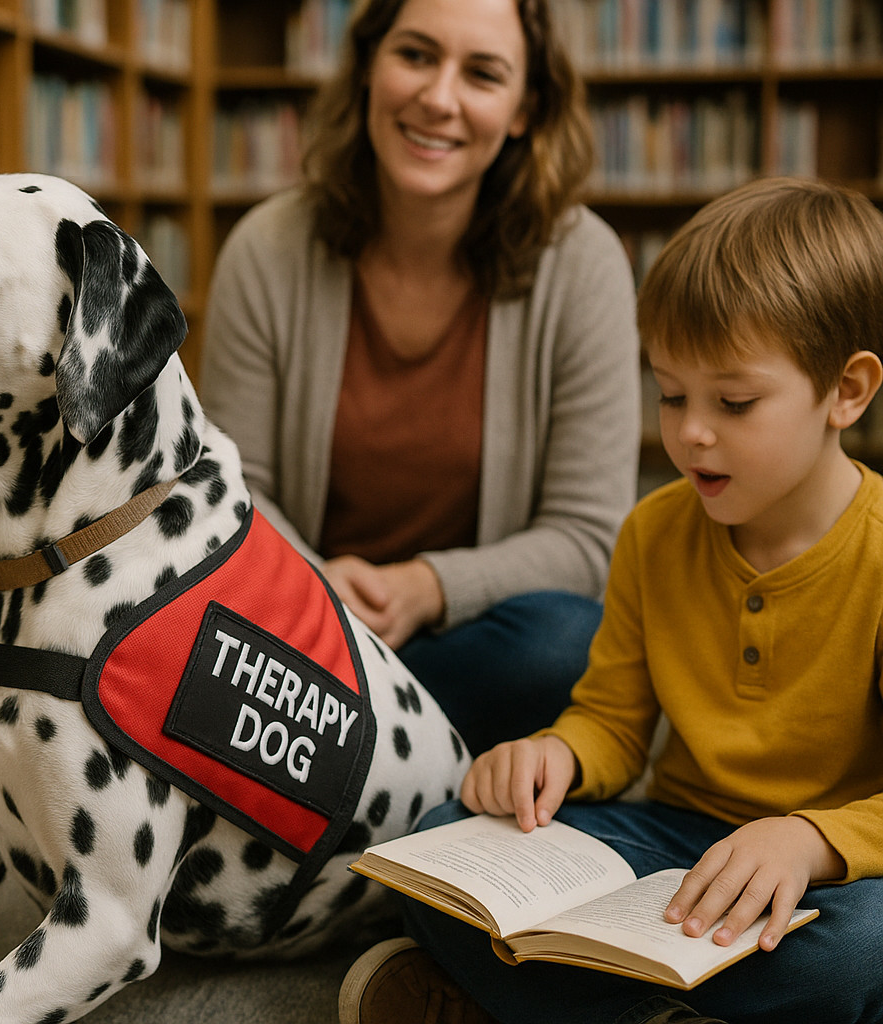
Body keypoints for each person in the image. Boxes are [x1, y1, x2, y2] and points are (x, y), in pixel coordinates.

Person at [346, 176, 883, 1024]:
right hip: (673, 845)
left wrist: (810, 840)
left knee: (860, 952)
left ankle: (528, 1004)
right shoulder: (653, 531)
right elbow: (614, 722)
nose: (691, 431)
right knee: (441, 842)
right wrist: (555, 754)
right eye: (670, 394)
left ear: (846, 391)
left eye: (733, 402)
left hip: (826, 877)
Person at [200, 0, 641, 757]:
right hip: (299, 621)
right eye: (415, 55)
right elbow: (233, 487)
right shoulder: (266, 250)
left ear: (524, 110)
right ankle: (407, 765)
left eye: (482, 74)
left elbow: (583, 537)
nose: (439, 97)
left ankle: (329, 753)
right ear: (369, 67)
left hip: (469, 636)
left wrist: (428, 588)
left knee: (567, 643)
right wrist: (319, 589)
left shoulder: (584, 265)